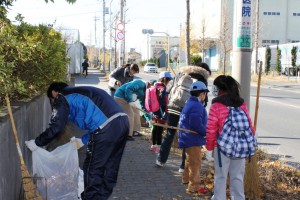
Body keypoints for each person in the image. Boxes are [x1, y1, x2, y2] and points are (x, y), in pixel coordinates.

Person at [25, 82, 129, 200]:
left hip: (105, 128)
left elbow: (57, 126)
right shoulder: (82, 92)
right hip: (123, 122)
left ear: (54, 93)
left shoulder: (61, 97)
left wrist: (37, 142)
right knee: (110, 166)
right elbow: (102, 119)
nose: (53, 103)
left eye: (51, 100)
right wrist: (83, 140)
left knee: (93, 168)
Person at [206, 75, 256, 200]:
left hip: (222, 148)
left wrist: (209, 148)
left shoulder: (216, 105)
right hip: (240, 147)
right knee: (237, 177)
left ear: (219, 89)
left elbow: (211, 129)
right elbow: (249, 125)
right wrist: (250, 142)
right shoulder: (241, 102)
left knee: (221, 177)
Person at [156, 63, 211, 168]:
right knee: (187, 135)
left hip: (173, 106)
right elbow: (204, 98)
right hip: (189, 108)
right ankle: (183, 166)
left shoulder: (182, 73)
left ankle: (160, 159)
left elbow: (168, 89)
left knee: (170, 133)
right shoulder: (202, 77)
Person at [178, 81, 208, 193]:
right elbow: (196, 124)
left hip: (187, 137)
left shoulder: (189, 103)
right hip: (192, 138)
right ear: (201, 94)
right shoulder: (197, 106)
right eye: (205, 93)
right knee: (195, 162)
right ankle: (193, 186)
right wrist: (205, 132)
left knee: (189, 159)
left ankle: (185, 179)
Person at [149, 72, 173, 153]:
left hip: (154, 112)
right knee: (159, 130)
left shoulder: (154, 86)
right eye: (169, 80)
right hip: (161, 113)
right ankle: (158, 147)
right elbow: (163, 103)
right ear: (165, 80)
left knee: (155, 129)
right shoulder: (163, 89)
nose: (169, 82)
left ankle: (153, 145)